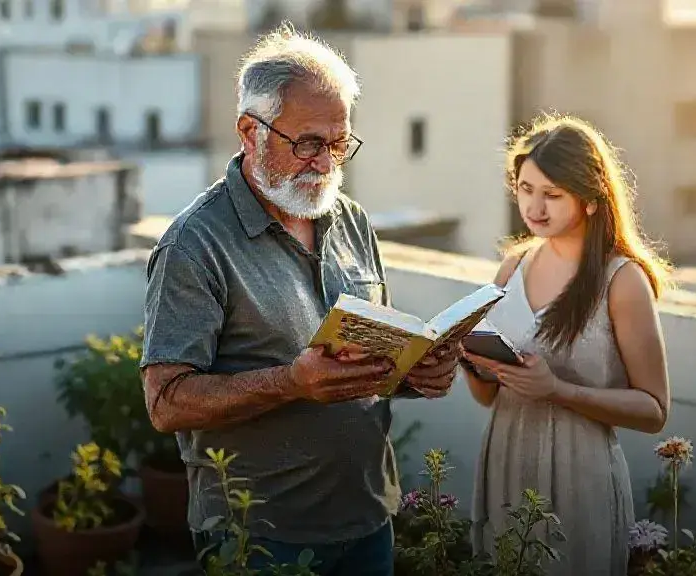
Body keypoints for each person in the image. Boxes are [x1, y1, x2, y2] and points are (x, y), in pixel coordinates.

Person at [138, 24, 461, 576]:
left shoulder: (352, 220)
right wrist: (290, 382)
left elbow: (361, 359)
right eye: (308, 142)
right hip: (258, 536)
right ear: (249, 131)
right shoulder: (195, 243)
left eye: (339, 144)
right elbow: (166, 403)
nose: (326, 161)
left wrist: (414, 373)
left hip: (366, 520)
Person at [462, 114, 673, 575]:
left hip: (580, 474)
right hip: (505, 460)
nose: (535, 207)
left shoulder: (621, 281)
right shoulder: (511, 268)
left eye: (552, 194)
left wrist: (556, 389)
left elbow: (655, 409)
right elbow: (487, 397)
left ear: (592, 199)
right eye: (525, 189)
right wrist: (470, 362)